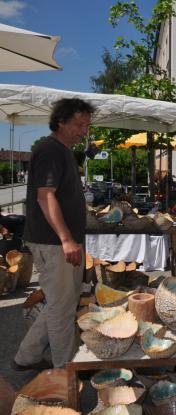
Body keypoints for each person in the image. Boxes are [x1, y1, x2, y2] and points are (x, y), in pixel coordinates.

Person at [13, 98, 95, 371]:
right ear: (61, 121)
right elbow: (45, 197)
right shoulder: (51, 151)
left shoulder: (62, 152)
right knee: (62, 309)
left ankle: (27, 356)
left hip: (57, 242)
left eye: (87, 126)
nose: (84, 131)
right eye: (79, 124)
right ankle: (65, 371)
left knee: (61, 303)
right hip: (53, 243)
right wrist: (66, 239)